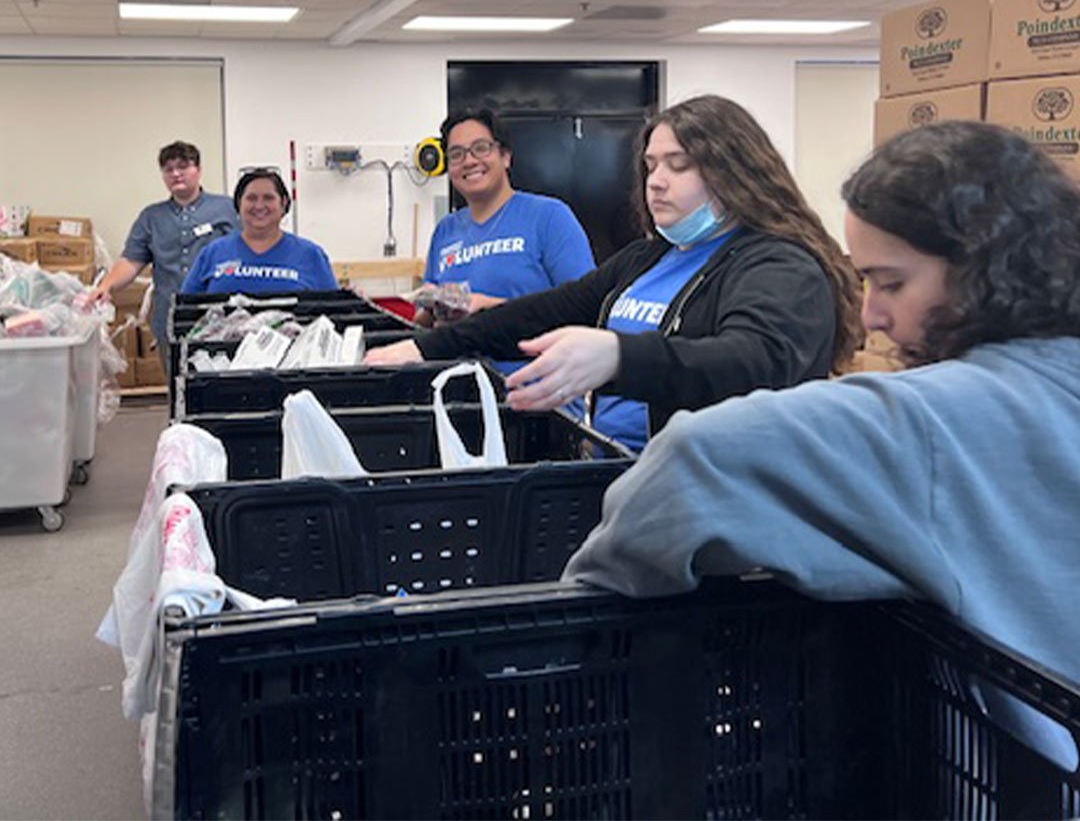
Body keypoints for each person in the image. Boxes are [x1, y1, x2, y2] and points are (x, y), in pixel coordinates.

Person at [563, 120, 1080, 684]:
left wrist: (578, 609)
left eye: (891, 283)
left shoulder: (938, 420)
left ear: (981, 268)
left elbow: (697, 460)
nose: (871, 316)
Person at [366, 94, 863, 453]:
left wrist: (617, 357)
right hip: (619, 468)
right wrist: (419, 348)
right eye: (650, 166)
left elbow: (753, 361)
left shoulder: (779, 264)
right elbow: (538, 314)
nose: (657, 182)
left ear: (736, 170)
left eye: (679, 165)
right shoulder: (647, 259)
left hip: (717, 492)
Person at [417, 107, 594, 330]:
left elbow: (585, 308)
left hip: (529, 363)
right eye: (456, 154)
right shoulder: (445, 230)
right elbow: (423, 322)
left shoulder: (550, 217)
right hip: (457, 363)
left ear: (505, 157)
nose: (469, 161)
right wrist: (428, 306)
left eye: (481, 148)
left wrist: (487, 307)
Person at [87, 141, 237, 355]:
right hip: (170, 318)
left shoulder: (227, 209)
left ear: (199, 170)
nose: (176, 174)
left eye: (183, 166)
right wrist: (105, 286)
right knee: (177, 383)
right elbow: (131, 261)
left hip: (220, 315)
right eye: (168, 169)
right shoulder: (151, 217)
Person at [181, 168, 337, 294]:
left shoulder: (311, 255)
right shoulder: (212, 253)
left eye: (268, 198)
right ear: (238, 204)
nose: (259, 206)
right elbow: (186, 310)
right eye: (251, 198)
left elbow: (333, 312)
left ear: (283, 204)